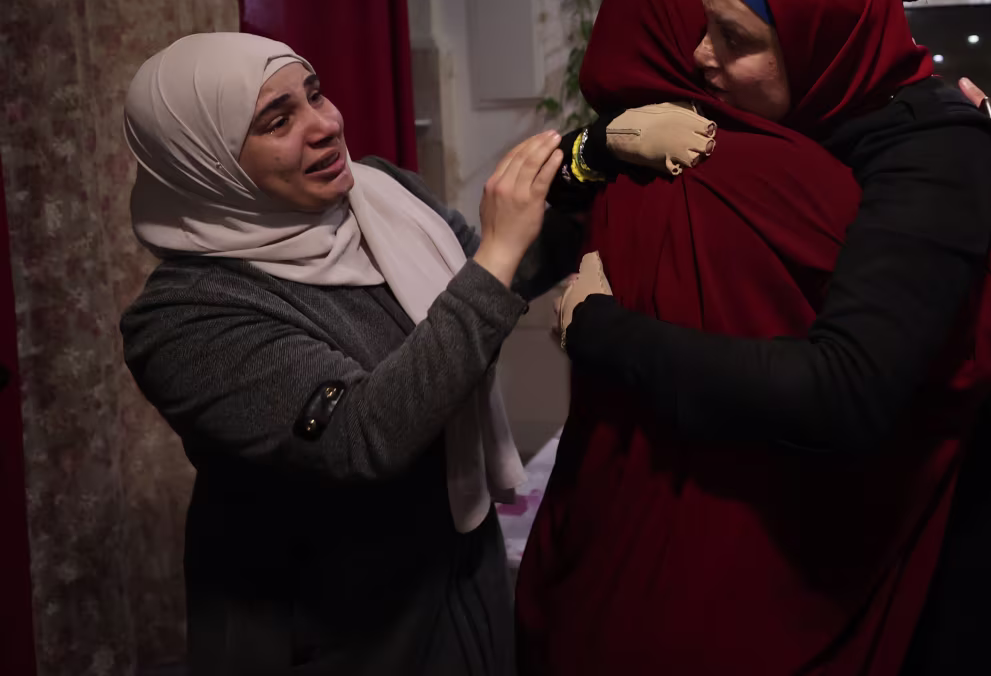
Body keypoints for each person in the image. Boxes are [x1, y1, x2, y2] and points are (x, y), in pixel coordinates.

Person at [518, 0, 991, 674]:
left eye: (733, 37)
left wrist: (602, 330)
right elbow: (545, 226)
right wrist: (597, 147)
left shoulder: (929, 144)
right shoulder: (802, 108)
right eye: (701, 26)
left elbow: (845, 387)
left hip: (933, 505)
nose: (700, 55)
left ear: (819, 37)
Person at [117, 33, 713, 675]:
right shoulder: (186, 319)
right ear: (204, 162)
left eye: (315, 94)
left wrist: (589, 156)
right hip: (338, 630)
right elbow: (362, 434)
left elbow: (505, 274)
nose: (324, 125)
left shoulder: (382, 197)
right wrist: (497, 254)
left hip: (458, 581)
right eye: (278, 121)